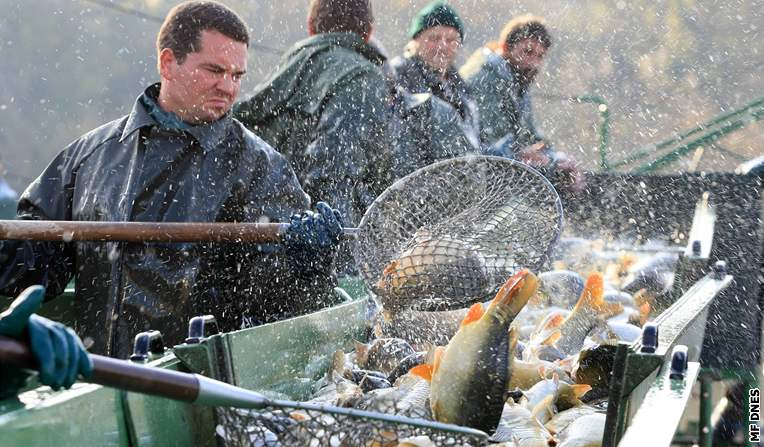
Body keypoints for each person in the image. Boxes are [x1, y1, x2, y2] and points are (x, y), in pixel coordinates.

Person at [0, 1, 344, 359]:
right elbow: (31, 267)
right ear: (167, 62)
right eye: (214, 70)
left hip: (205, 390)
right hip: (100, 382)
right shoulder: (89, 157)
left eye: (236, 75)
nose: (227, 87)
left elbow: (281, 313)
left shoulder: (262, 168)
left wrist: (309, 268)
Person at [234, 0, 391, 228]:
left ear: (310, 26)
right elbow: (336, 176)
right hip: (311, 238)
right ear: (368, 32)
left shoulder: (289, 66)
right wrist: (339, 253)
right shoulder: (363, 76)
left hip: (264, 232)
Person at [460, 15, 582, 189]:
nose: (533, 63)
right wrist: (547, 163)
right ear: (505, 47)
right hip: (478, 177)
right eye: (527, 51)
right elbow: (494, 147)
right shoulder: (484, 79)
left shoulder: (517, 83)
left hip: (503, 177)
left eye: (540, 56)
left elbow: (530, 137)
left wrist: (557, 159)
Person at [389, 1, 480, 177]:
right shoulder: (398, 75)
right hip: (414, 182)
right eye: (434, 38)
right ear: (415, 41)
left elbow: (475, 141)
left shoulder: (460, 86)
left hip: (456, 181)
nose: (442, 46)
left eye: (451, 40)